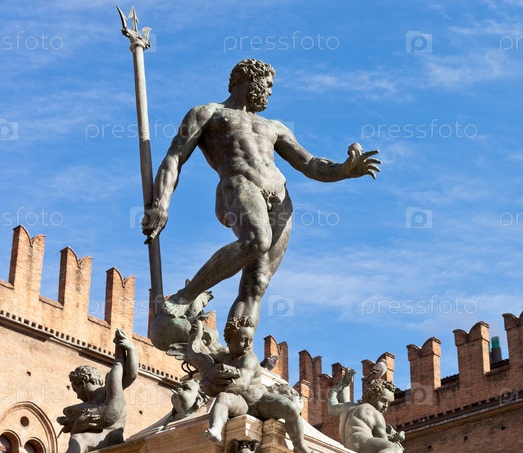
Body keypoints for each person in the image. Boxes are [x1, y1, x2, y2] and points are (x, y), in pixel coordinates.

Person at [141, 58, 381, 329]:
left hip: (281, 199)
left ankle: (239, 350)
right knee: (257, 240)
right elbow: (174, 158)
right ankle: (187, 294)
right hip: (238, 186)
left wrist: (346, 169)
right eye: (267, 85)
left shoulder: (274, 127)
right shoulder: (207, 113)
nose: (270, 91)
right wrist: (161, 203)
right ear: (249, 79)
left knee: (257, 283)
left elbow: (310, 164)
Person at [189, 317, 315, 453]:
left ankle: (299, 444)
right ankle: (216, 428)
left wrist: (212, 385)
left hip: (261, 401)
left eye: (250, 340)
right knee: (223, 398)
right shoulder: (223, 357)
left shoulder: (249, 359)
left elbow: (241, 384)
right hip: (242, 404)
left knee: (289, 408)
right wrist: (195, 335)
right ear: (230, 340)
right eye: (243, 340)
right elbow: (199, 355)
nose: (247, 345)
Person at [45, 329, 139, 453]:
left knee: (80, 439)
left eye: (76, 389)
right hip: (100, 437)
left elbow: (130, 374)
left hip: (111, 437)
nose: (77, 395)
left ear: (83, 382)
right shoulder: (91, 402)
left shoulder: (109, 387)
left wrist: (130, 349)